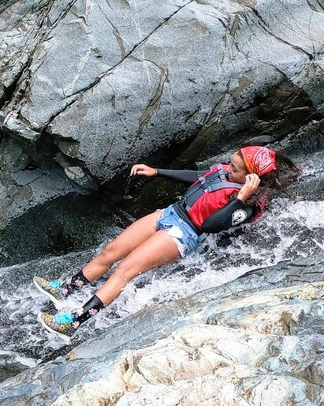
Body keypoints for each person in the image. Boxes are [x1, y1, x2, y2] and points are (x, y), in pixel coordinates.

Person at [35, 145, 300, 341]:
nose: (228, 168)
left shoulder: (250, 206)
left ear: (251, 177)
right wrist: (156, 171)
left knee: (124, 270)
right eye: (230, 163)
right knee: (111, 251)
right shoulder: (226, 172)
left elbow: (210, 225)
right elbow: (200, 177)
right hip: (171, 212)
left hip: (183, 233)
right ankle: (66, 289)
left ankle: (73, 323)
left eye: (235, 168)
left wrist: (240, 198)